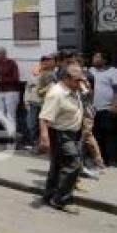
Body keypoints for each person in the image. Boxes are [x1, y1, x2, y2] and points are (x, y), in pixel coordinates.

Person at [39, 64, 86, 214]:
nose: (80, 83)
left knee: (58, 166)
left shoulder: (74, 89)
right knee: (74, 165)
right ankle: (61, 199)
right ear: (66, 78)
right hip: (60, 134)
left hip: (72, 134)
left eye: (81, 80)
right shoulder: (56, 93)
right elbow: (44, 118)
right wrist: (44, 138)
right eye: (77, 80)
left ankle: (49, 195)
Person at [90, 52, 117, 167]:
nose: (94, 59)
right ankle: (101, 159)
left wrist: (115, 105)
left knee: (109, 135)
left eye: (97, 57)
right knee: (96, 134)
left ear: (105, 60)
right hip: (93, 110)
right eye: (94, 57)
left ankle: (112, 160)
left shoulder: (113, 72)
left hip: (108, 109)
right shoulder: (90, 71)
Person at [0, 47, 21, 140]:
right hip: (1, 91)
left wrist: (1, 80)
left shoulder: (11, 63)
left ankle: (12, 138)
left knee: (10, 115)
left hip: (12, 91)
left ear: (3, 54)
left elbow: (16, 78)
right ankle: (12, 132)